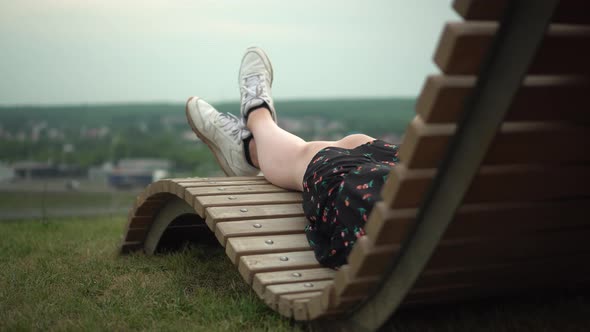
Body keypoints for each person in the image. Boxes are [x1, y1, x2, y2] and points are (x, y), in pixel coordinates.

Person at [185, 47, 400, 268]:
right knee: (358, 142)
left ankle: (257, 117)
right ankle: (250, 147)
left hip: (387, 226)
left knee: (319, 160)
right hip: (417, 216)